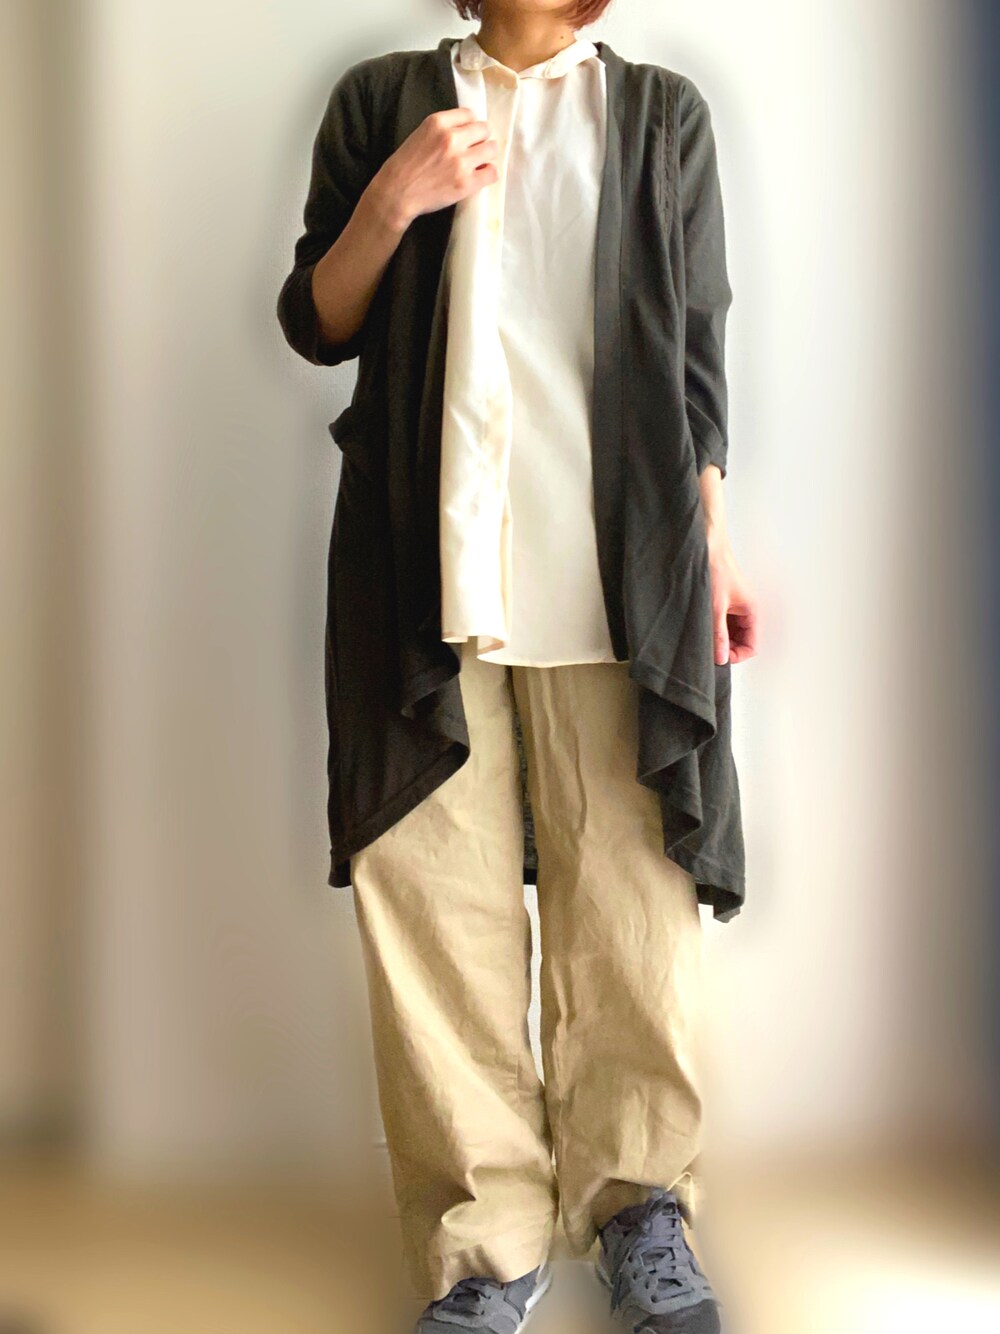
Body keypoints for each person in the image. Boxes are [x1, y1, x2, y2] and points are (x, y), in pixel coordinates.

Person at [276, 2, 758, 1331]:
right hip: (425, 576)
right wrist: (396, 198)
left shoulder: (660, 116)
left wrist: (715, 553)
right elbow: (317, 320)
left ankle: (639, 1206)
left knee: (633, 901)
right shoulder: (384, 100)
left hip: (618, 573)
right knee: (436, 906)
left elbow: (696, 361)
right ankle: (483, 1251)